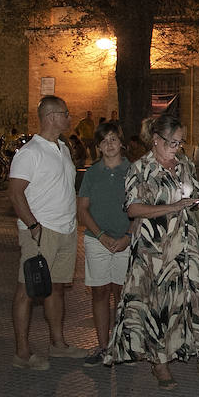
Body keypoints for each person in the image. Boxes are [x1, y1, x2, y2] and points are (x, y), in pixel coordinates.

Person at [105, 113, 199, 386]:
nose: (177, 148)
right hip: (155, 248)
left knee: (195, 298)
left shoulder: (185, 164)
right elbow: (132, 208)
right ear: (156, 140)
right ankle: (159, 362)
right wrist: (170, 208)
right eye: (173, 142)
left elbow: (193, 194)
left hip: (186, 245)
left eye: (180, 143)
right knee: (158, 304)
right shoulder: (140, 168)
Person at [9, 95, 84, 370]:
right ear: (52, 116)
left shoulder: (63, 148)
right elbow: (15, 194)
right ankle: (22, 352)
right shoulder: (30, 152)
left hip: (65, 230)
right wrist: (33, 227)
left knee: (56, 289)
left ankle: (58, 344)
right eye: (66, 113)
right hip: (41, 231)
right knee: (27, 290)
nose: (69, 118)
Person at [76, 121, 132, 365]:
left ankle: (122, 345)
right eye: (104, 141)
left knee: (122, 294)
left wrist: (127, 237)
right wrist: (101, 236)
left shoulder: (133, 171)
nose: (109, 145)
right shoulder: (92, 173)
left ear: (121, 143)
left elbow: (141, 207)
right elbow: (83, 209)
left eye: (113, 139)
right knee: (100, 292)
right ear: (98, 146)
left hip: (125, 240)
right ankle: (102, 346)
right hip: (97, 240)